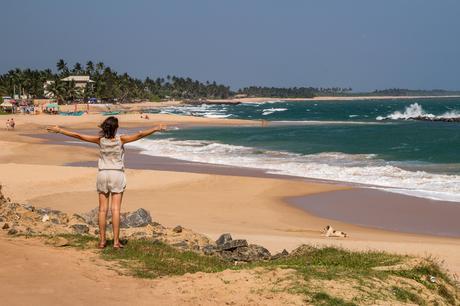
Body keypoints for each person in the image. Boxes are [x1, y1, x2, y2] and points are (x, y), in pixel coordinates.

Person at [47, 116, 166, 249]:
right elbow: (140, 134)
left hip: (103, 173)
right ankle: (115, 242)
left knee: (102, 210)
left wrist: (60, 130)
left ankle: (102, 241)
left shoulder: (100, 140)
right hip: (117, 174)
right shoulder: (121, 140)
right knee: (115, 209)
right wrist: (156, 128)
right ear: (116, 128)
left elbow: (78, 135)